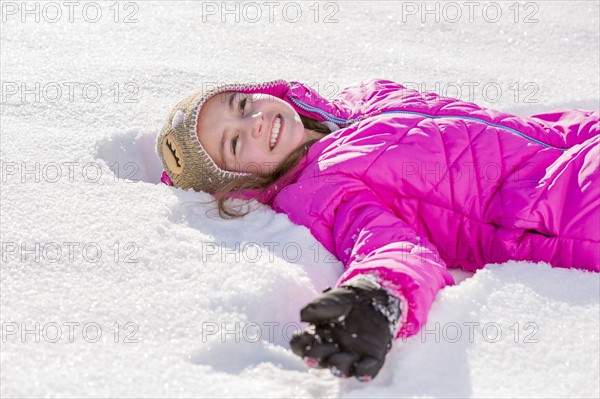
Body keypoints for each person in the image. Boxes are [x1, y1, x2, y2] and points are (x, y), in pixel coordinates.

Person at [156, 79, 599, 381]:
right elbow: (392, 247)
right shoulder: (321, 191)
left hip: (579, 135)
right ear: (241, 187)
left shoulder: (364, 98)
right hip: (565, 207)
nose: (253, 121)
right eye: (235, 143)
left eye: (241, 104)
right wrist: (376, 297)